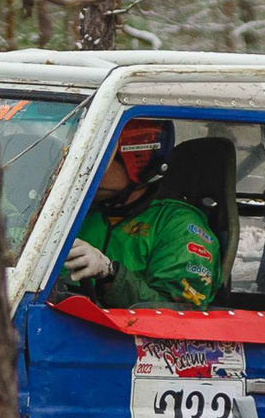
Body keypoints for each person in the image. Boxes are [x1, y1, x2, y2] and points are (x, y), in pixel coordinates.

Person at [59, 119, 222, 309]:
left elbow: (180, 317)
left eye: (100, 159)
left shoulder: (180, 227)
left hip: (120, 337)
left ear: (137, 163)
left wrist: (109, 273)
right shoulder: (68, 209)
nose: (86, 169)